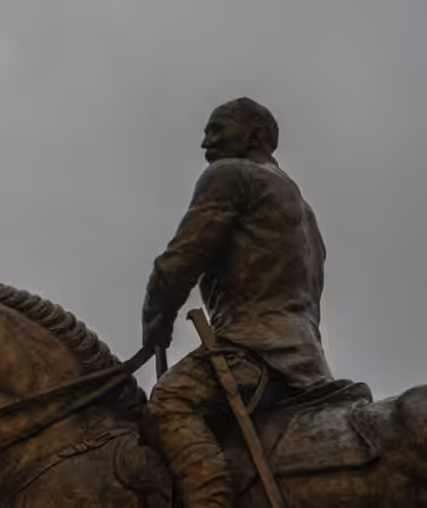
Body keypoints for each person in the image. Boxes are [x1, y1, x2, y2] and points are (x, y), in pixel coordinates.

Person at [141, 97, 335, 507]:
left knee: (168, 403)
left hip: (254, 348)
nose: (205, 142)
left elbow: (179, 264)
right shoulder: (303, 209)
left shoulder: (230, 175)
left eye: (217, 129)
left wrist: (155, 322)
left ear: (256, 135)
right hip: (307, 360)